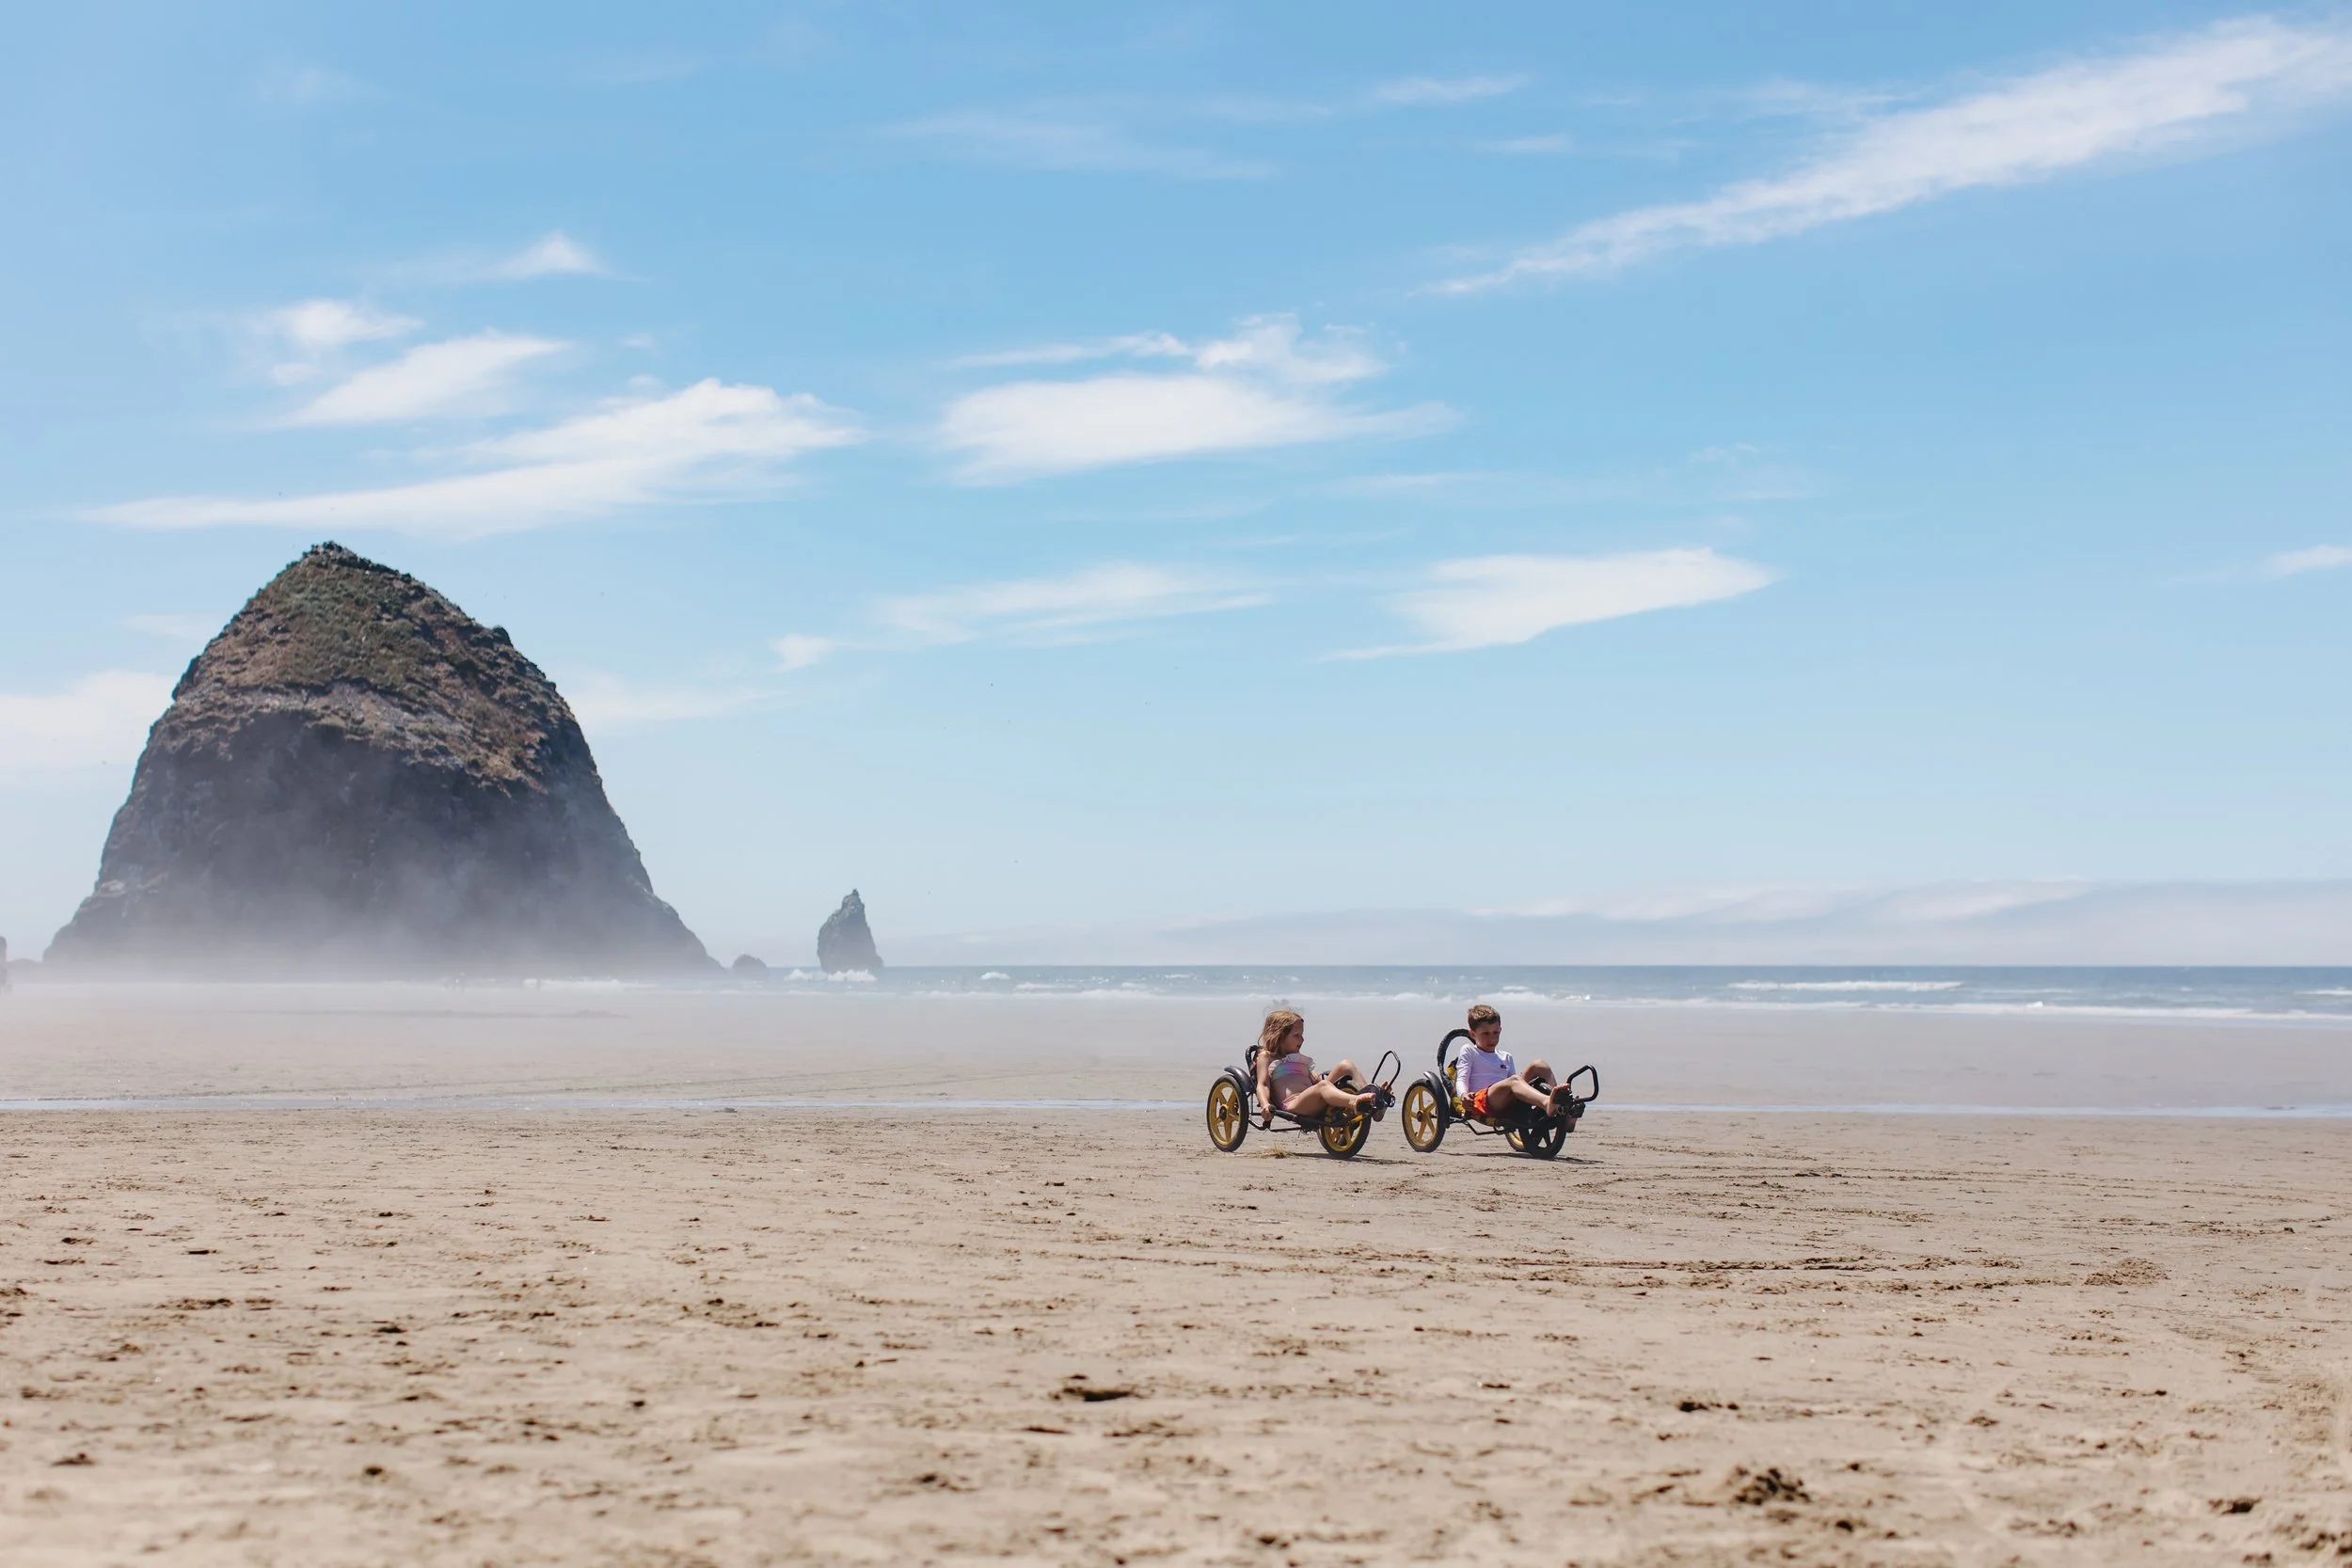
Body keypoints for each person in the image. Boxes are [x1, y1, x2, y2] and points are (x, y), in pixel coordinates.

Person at [1253, 1008, 1380, 1129]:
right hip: (1294, 1103)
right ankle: (1354, 1101)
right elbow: (1263, 1084)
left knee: (1346, 1065)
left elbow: (1316, 1082)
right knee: (1323, 1086)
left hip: (1314, 1096)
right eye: (1297, 1035)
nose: (1302, 1039)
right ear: (1280, 1036)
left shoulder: (1300, 1060)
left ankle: (1373, 1100)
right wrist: (1265, 1104)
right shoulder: (1267, 1057)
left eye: (1302, 1035)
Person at [1455, 1004, 1575, 1122]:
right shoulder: (1469, 1051)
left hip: (1506, 1099)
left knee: (1539, 1065)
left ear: (1500, 1030)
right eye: (1485, 1033)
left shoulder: (1506, 1057)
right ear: (1472, 1034)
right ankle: (1547, 1101)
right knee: (1514, 1080)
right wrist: (1463, 1095)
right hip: (1481, 1100)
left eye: (1495, 1033)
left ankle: (1561, 1109)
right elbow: (1461, 1079)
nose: (1492, 1038)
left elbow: (1517, 1086)